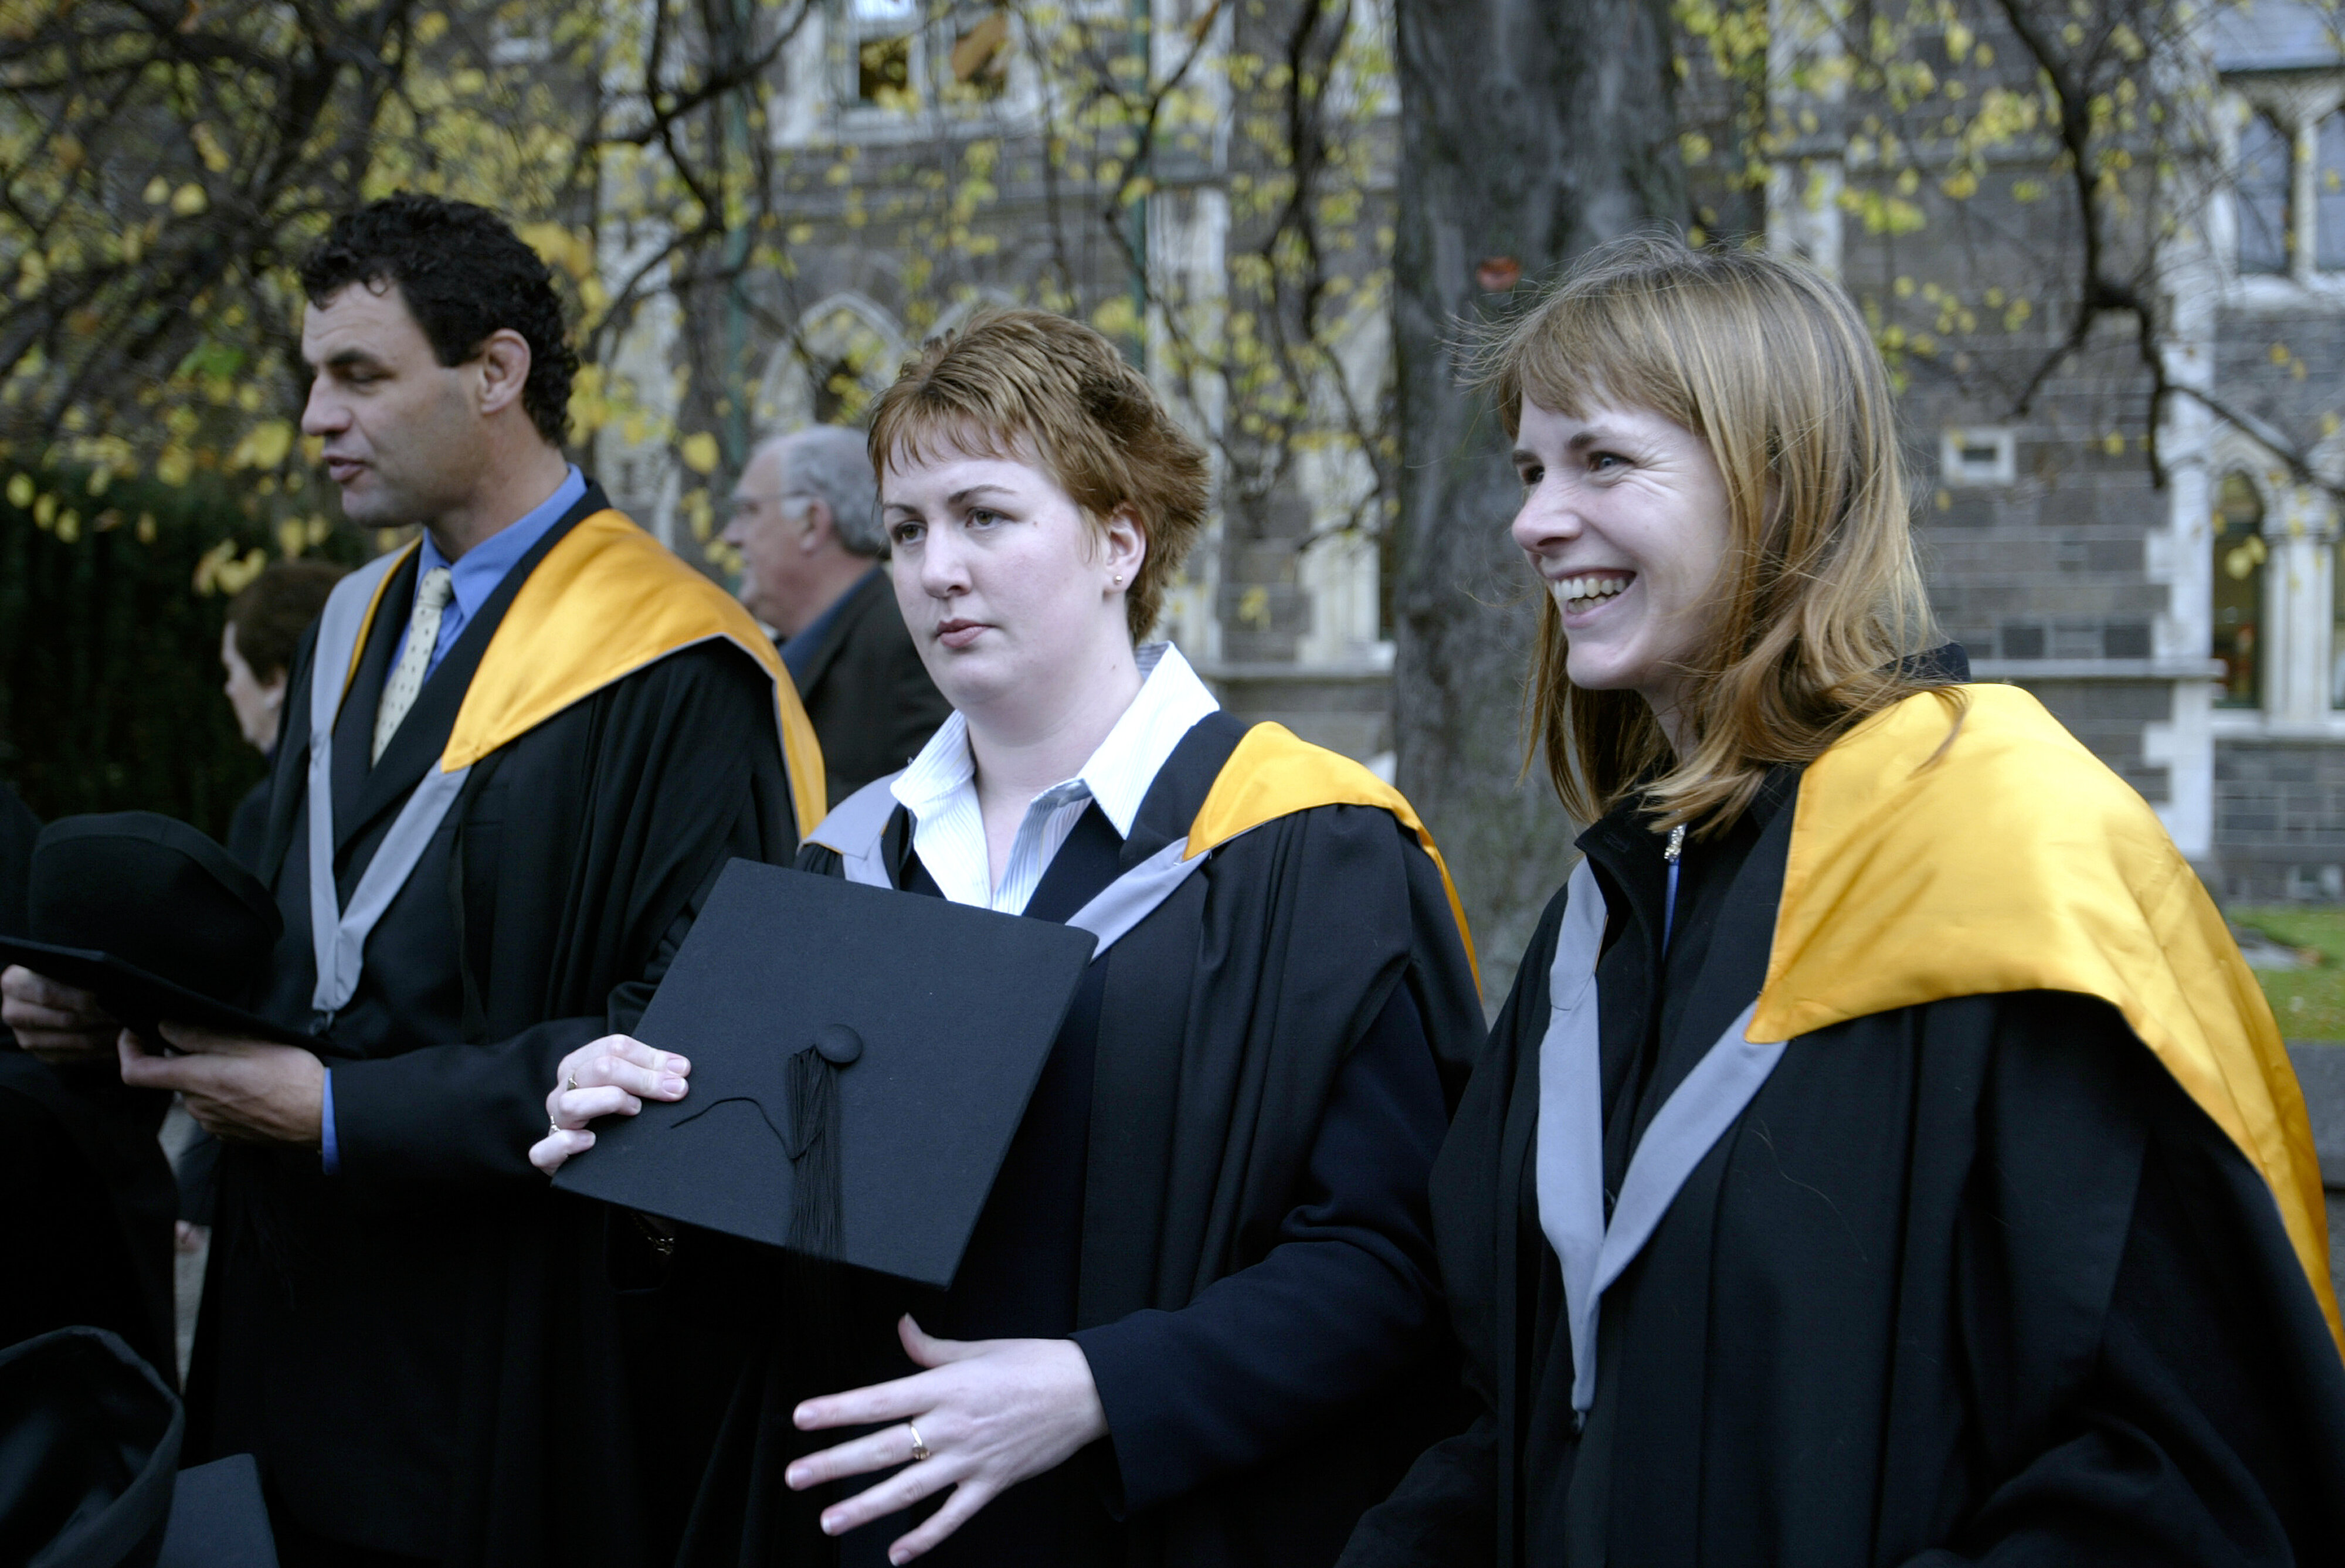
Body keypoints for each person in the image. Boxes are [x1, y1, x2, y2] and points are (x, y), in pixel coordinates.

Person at [1338, 236, 2345, 1567]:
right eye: (1531, 469)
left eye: (1602, 461)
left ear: (1775, 480)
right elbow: (1517, 1411)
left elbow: (2189, 1478)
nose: (1531, 520)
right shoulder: (1612, 924)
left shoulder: (2012, 869)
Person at [535, 308, 1487, 1567]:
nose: (936, 569)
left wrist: (1103, 1386)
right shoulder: (848, 859)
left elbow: (1395, 1261)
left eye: (986, 515)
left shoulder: (1310, 848)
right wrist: (650, 1172)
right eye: (910, 528)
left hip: (1166, 1523)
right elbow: (769, 1284)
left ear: (1116, 538)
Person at [1, 192, 826, 1568]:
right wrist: (121, 1020)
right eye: (312, 378)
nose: (316, 417)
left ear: (493, 373)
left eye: (360, 376)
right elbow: (287, 944)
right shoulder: (350, 626)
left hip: (509, 1350)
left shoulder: (679, 670)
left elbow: (686, 1043)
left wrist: (340, 1112)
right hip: (290, 1331)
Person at [724, 423, 952, 804]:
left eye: (748, 511)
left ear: (812, 522)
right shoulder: (770, 659)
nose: (731, 536)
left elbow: (930, 813)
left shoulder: (912, 644)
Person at [219, 560, 348, 867]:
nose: (230, 689)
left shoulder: (266, 817)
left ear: (274, 681)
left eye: (232, 670)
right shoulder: (369, 784)